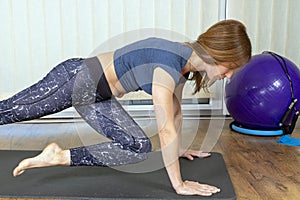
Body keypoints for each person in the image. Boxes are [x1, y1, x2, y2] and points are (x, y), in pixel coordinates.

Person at [0, 19, 251, 196]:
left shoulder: (184, 67)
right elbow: (165, 130)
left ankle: (57, 156)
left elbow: (174, 113)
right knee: (8, 112)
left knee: (138, 147)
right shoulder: (168, 64)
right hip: (74, 80)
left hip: (97, 97)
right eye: (229, 68)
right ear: (215, 54)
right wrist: (179, 184)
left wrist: (178, 149)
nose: (229, 76)